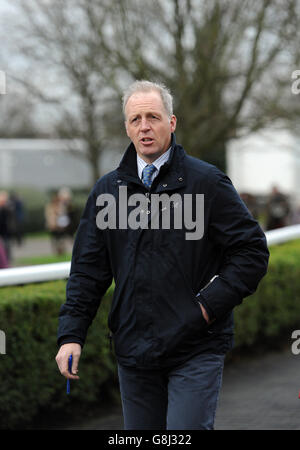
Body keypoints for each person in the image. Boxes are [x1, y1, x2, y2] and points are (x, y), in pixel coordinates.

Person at [55, 80, 269, 430]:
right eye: (135, 119)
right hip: (133, 351)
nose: (144, 127)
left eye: (153, 117)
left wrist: (205, 307)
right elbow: (87, 272)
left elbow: (251, 252)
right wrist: (71, 335)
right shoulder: (108, 191)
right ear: (126, 127)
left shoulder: (207, 183)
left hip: (196, 346)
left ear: (171, 122)